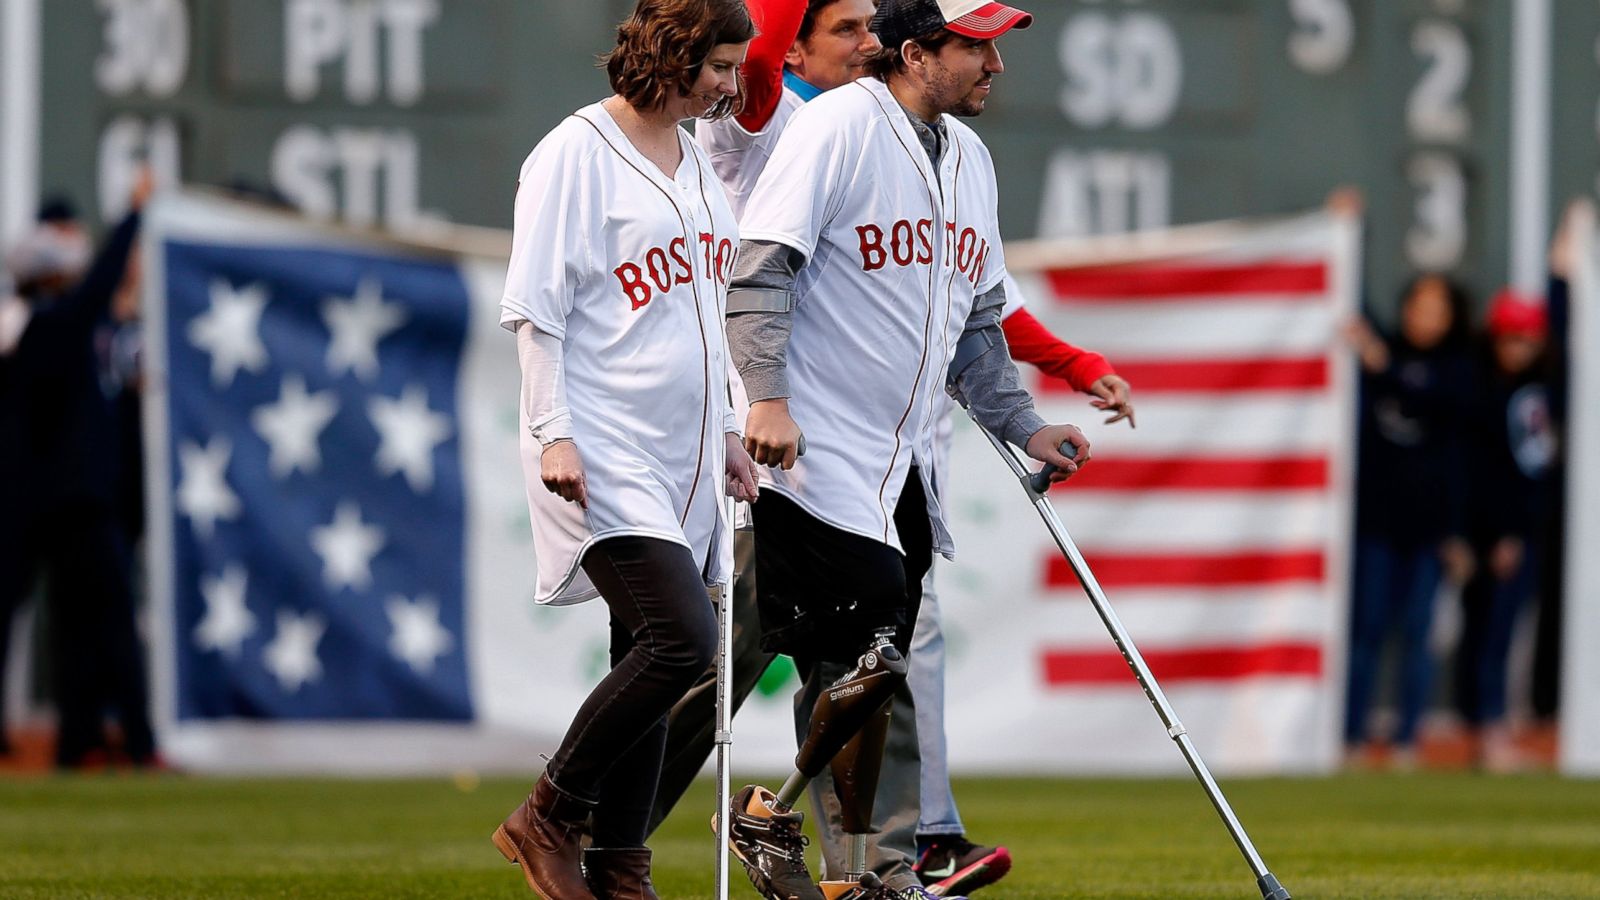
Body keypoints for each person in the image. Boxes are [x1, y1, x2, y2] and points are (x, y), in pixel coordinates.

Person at [718, 1, 1093, 897]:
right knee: (719, 663)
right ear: (918, 51)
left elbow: (980, 328)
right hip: (799, 456)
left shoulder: (970, 158)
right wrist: (765, 398)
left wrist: (1026, 425)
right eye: (978, 46)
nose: (996, 66)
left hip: (901, 469)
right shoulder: (837, 126)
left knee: (871, 665)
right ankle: (596, 820)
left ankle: (862, 868)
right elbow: (760, 268)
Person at [489, 2, 758, 897]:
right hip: (602, 441)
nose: (730, 83)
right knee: (682, 643)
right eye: (719, 64)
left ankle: (621, 868)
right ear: (675, 54)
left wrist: (728, 427)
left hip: (681, 450)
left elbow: (709, 314)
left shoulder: (697, 164)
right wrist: (553, 431)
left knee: (642, 650)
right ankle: (549, 813)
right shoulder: (575, 151)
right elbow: (537, 310)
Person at [0, 183, 158, 769]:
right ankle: (136, 744)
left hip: (43, 497)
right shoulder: (54, 327)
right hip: (74, 499)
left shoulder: (34, 330)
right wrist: (135, 212)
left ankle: (78, 742)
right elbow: (98, 287)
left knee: (70, 628)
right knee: (110, 621)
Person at [1342, 273, 1476, 768]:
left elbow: (1443, 412)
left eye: (1436, 310)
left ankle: (1406, 743)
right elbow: (1349, 284)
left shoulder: (1459, 368)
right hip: (1376, 522)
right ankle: (1352, 737)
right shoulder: (1384, 350)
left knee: (1418, 635)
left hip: (1430, 530)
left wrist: (1457, 534)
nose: (1425, 319)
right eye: (1418, 307)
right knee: (1367, 630)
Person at [1453, 289, 1558, 772]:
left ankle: (1491, 724)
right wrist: (1499, 533)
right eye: (1509, 337)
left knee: (1502, 631)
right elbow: (1484, 472)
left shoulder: (1541, 388)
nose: (1517, 347)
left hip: (1521, 531)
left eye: (1526, 338)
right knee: (1486, 631)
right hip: (1491, 533)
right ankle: (1484, 728)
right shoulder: (1482, 388)